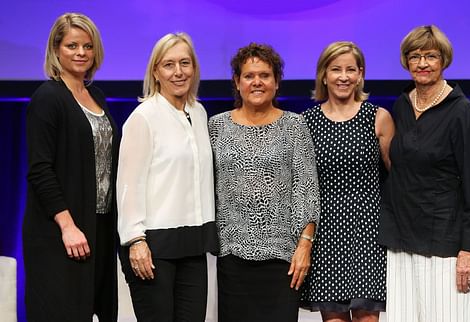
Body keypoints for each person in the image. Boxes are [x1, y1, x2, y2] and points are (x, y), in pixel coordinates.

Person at [378, 25, 470, 322]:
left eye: (430, 56)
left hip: (443, 243)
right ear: (406, 61)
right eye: (415, 56)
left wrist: (468, 250)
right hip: (401, 240)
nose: (422, 63)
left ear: (444, 60)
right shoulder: (402, 105)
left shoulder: (462, 111)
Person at [208, 43, 320, 322]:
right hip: (231, 258)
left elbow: (306, 189)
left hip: (283, 259)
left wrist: (305, 245)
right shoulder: (216, 127)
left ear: (277, 82)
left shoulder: (294, 126)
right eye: (248, 75)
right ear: (237, 82)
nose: (257, 82)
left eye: (265, 75)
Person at [23, 13, 119, 322]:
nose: (81, 53)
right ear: (56, 49)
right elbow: (40, 170)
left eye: (87, 46)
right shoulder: (47, 97)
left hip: (98, 226)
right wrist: (67, 226)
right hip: (60, 233)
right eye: (72, 45)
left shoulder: (97, 95)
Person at [116, 32, 218, 322]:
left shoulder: (198, 113)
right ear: (156, 72)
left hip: (193, 242)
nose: (178, 72)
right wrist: (136, 240)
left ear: (194, 69)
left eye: (185, 63)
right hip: (153, 246)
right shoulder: (143, 117)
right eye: (169, 64)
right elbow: (128, 184)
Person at [300, 41, 395, 322]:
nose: (343, 76)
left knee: (367, 317)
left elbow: (397, 178)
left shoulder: (379, 118)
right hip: (327, 233)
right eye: (336, 69)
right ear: (324, 75)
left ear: (360, 74)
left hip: (369, 233)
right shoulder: (307, 122)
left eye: (350, 69)